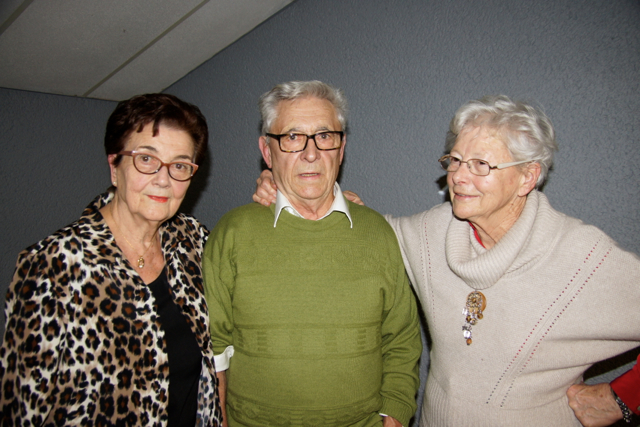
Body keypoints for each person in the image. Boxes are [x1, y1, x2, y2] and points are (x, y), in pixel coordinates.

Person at [253, 95, 640, 426]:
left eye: (480, 165)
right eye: (455, 160)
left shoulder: (579, 255)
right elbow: (360, 229)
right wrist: (293, 189)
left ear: (527, 177)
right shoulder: (435, 232)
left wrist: (620, 398)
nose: (458, 177)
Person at [203, 80, 422, 427]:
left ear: (342, 147)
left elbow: (402, 339)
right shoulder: (232, 234)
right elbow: (214, 347)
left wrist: (393, 418)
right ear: (266, 150)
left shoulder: (377, 234)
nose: (310, 153)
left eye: (324, 136)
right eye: (291, 137)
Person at [0, 93, 223, 426]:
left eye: (179, 165)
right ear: (114, 166)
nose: (163, 179)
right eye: (146, 159)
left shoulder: (195, 243)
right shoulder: (52, 265)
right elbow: (22, 410)